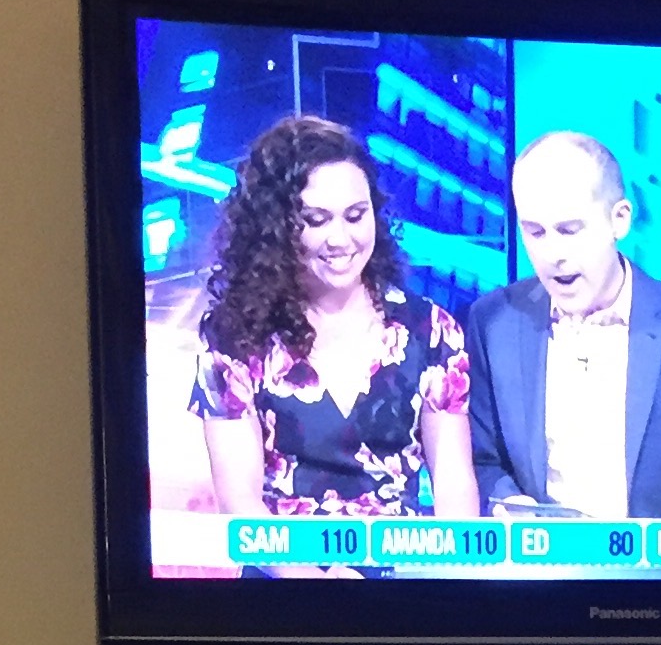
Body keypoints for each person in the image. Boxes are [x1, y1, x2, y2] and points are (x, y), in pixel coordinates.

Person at [191, 115, 478, 557]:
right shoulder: (234, 338)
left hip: (402, 581)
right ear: (277, 226)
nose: (340, 239)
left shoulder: (432, 332)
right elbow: (240, 504)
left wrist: (446, 582)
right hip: (282, 580)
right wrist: (313, 580)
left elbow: (455, 488)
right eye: (316, 220)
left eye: (356, 216)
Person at [466, 132, 661, 523]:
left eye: (569, 230)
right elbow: (479, 461)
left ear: (620, 219)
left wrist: (649, 550)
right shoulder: (493, 323)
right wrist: (514, 511)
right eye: (535, 232)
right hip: (536, 559)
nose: (552, 254)